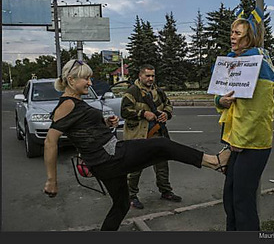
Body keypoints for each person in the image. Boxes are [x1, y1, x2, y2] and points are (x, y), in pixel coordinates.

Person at [43, 59, 231, 231]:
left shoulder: (75, 102)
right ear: (71, 80)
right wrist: (52, 180)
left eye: (90, 78)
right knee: (161, 145)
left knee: (122, 205)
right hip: (110, 157)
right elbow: (50, 141)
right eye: (86, 79)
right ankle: (214, 161)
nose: (90, 83)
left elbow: (82, 129)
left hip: (103, 163)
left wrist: (106, 123)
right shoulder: (67, 104)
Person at [214, 7, 274, 231]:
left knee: (242, 202)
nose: (232, 36)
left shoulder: (258, 63)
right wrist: (220, 101)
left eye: (238, 33)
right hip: (235, 141)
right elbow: (220, 97)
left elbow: (258, 111)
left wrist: (238, 143)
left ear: (249, 37)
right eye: (232, 32)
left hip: (252, 143)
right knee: (230, 199)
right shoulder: (233, 60)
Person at [121, 64, 181, 209]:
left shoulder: (158, 91)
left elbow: (168, 105)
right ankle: (131, 196)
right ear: (140, 76)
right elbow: (124, 111)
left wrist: (166, 114)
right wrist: (143, 114)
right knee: (135, 168)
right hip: (138, 136)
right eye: (147, 76)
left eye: (152, 76)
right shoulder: (132, 92)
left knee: (162, 165)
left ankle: (166, 191)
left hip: (157, 133)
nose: (150, 78)